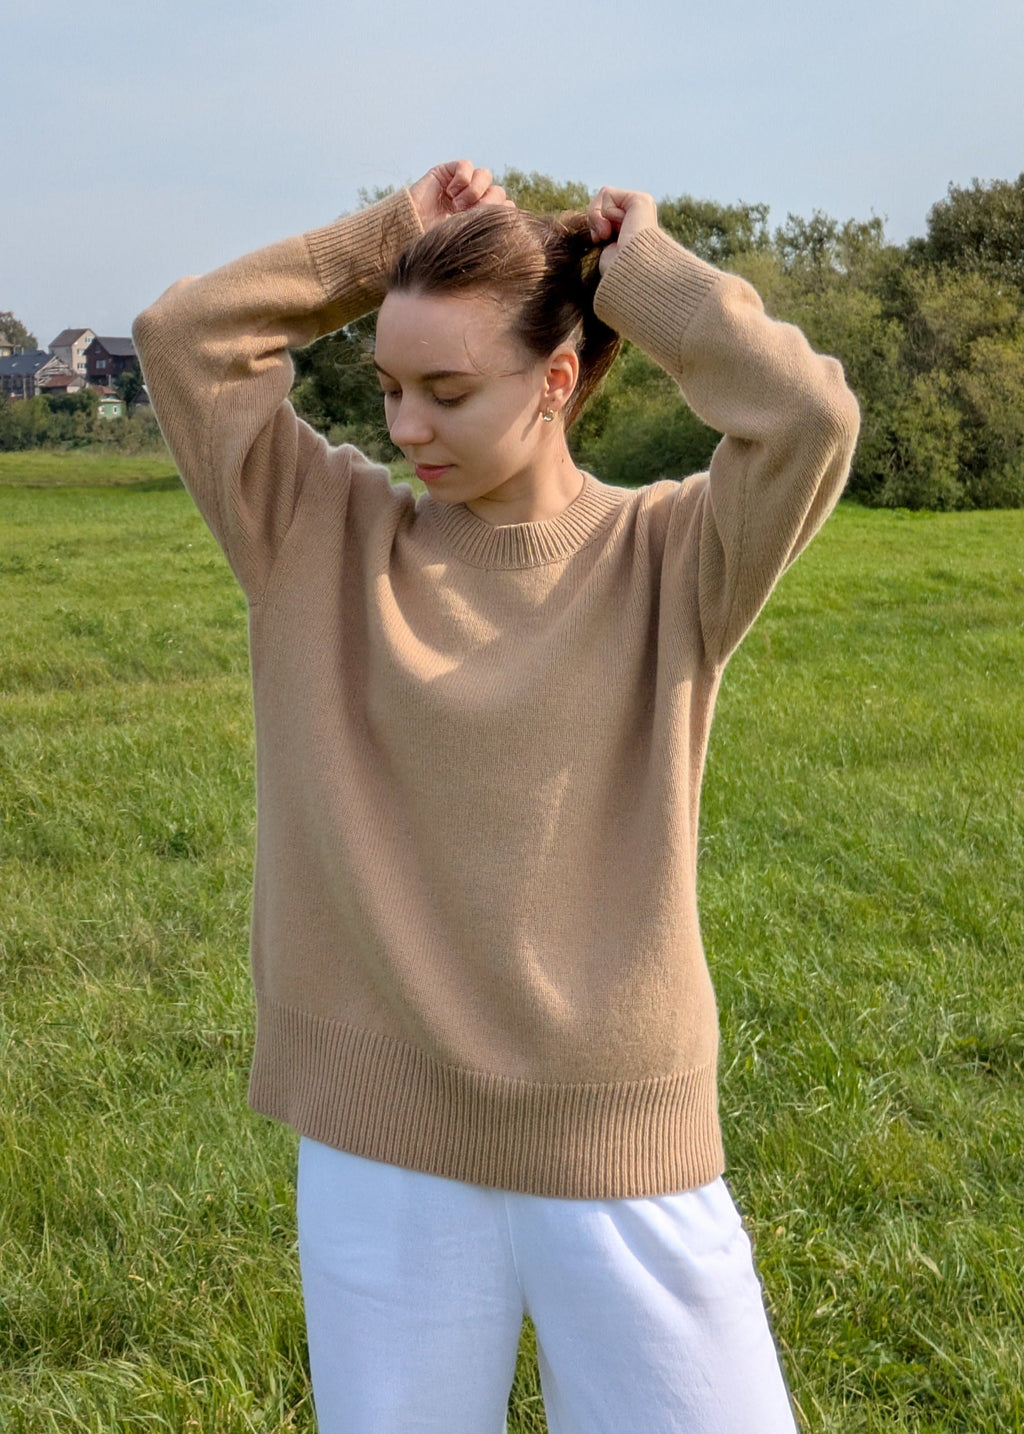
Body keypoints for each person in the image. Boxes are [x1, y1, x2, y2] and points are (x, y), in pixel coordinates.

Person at [134, 159, 859, 1433]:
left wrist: (651, 281)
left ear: (559, 383)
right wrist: (380, 244)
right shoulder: (318, 536)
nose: (406, 426)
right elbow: (185, 340)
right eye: (391, 387)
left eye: (449, 390)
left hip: (616, 1143)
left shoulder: (672, 557)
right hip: (380, 1149)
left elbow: (807, 419)